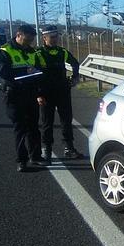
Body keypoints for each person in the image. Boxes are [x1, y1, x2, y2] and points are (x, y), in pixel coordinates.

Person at [0, 24, 49, 172]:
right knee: (20, 128)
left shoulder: (32, 52)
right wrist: (25, 71)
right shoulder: (6, 50)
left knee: (33, 127)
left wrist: (40, 93)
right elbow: (4, 73)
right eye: (28, 38)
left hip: (30, 94)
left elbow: (39, 72)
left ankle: (36, 156)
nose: (30, 41)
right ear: (19, 35)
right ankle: (22, 160)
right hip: (14, 94)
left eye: (32, 39)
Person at [35, 25, 83, 164]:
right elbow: (33, 74)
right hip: (46, 93)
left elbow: (75, 63)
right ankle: (47, 150)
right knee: (47, 122)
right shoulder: (38, 53)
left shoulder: (62, 52)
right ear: (44, 38)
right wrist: (38, 93)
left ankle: (69, 148)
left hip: (62, 91)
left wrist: (75, 77)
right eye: (52, 37)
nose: (55, 39)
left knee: (66, 120)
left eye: (56, 36)